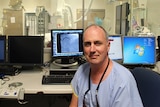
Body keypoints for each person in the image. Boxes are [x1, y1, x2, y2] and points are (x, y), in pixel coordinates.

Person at [69, 24, 143, 107]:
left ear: (108, 46)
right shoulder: (81, 72)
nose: (92, 49)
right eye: (87, 44)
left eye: (97, 43)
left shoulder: (122, 81)